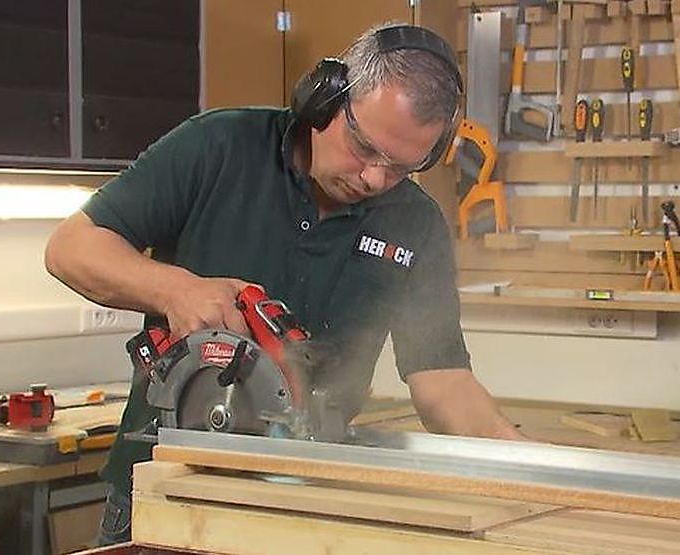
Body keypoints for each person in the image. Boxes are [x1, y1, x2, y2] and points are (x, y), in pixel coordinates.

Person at [44, 23, 525, 545]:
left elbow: (442, 380)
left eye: (400, 168)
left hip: (304, 501)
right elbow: (71, 247)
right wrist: (176, 290)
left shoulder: (416, 223)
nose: (373, 179)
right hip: (164, 491)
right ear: (325, 101)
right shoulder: (218, 147)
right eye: (364, 148)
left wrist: (520, 457)